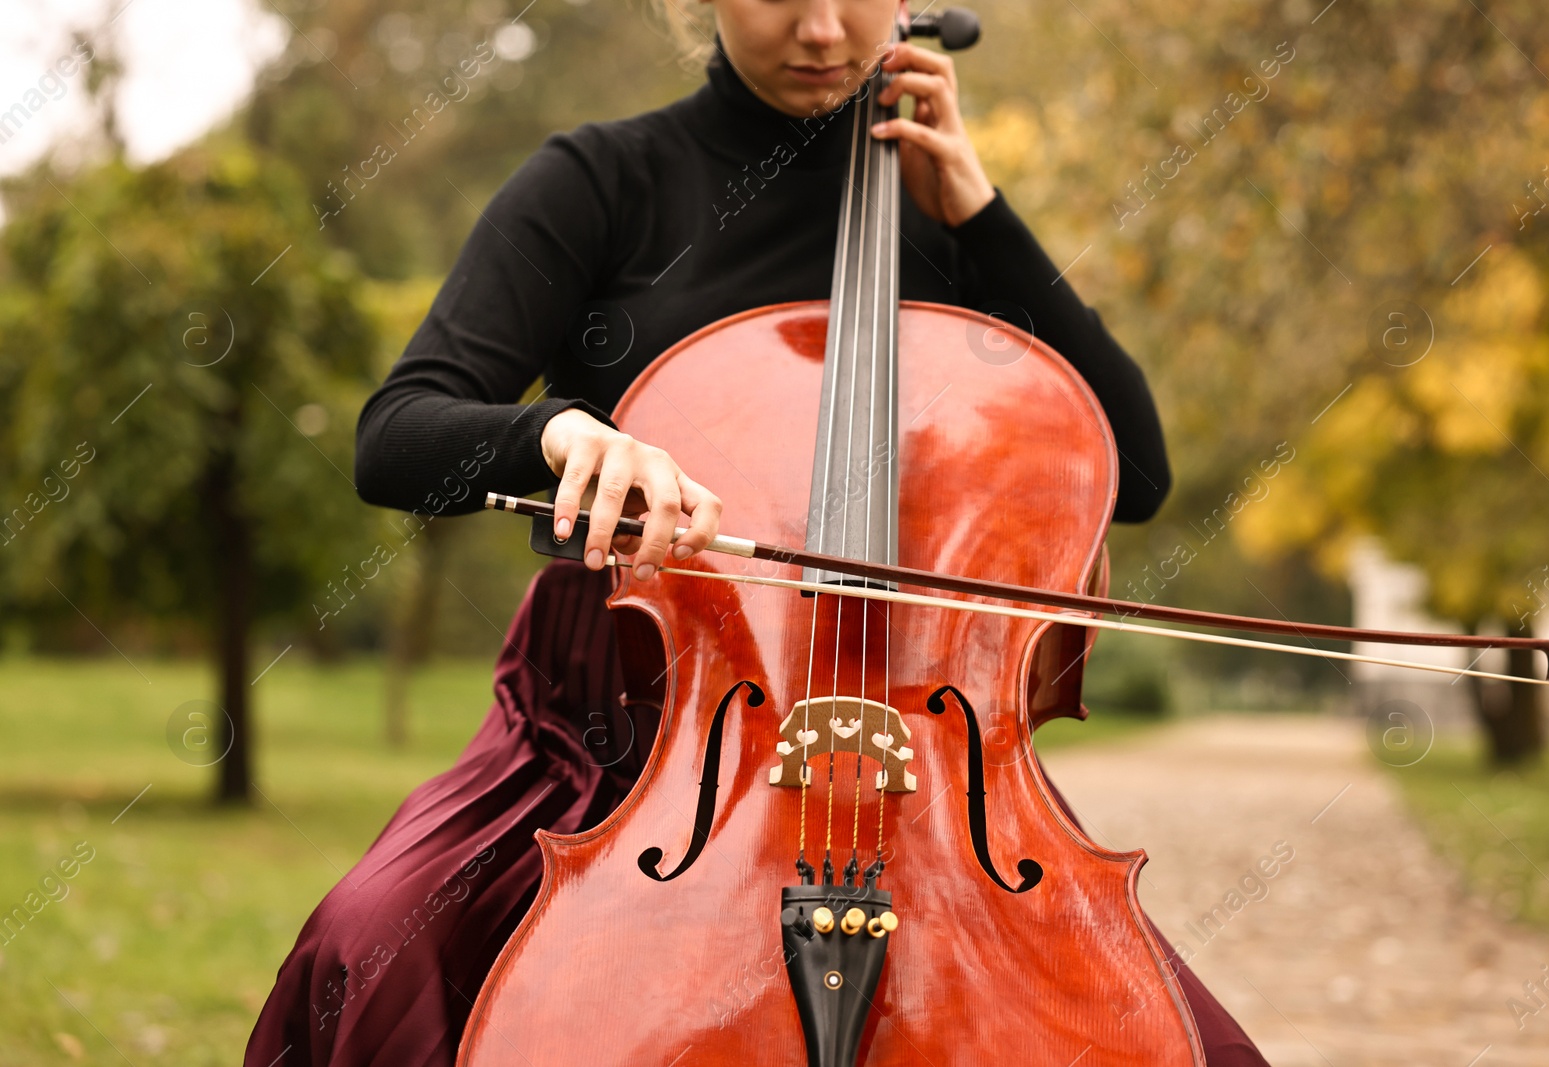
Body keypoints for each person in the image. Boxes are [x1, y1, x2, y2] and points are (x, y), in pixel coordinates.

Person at [246, 1, 1267, 1064]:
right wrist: (560, 434)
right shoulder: (602, 181)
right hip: (613, 730)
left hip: (915, 754)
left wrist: (979, 215)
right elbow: (396, 436)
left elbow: (1133, 471)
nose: (823, 30)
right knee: (365, 945)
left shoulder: (947, 220)